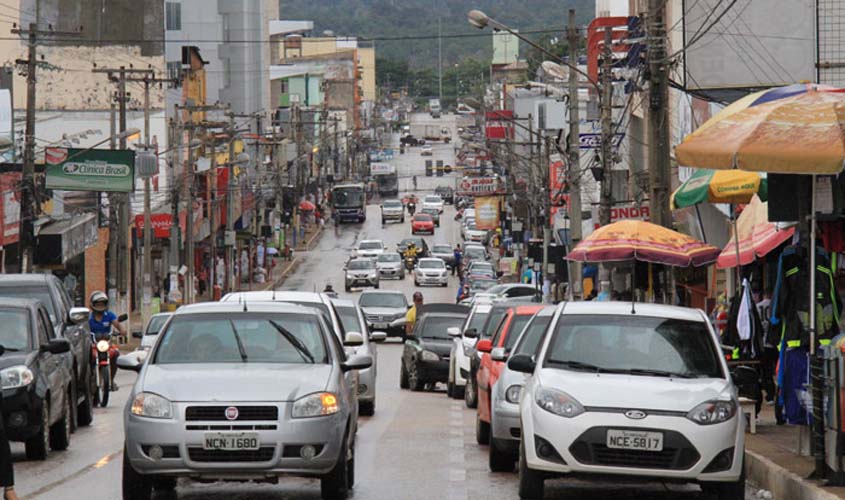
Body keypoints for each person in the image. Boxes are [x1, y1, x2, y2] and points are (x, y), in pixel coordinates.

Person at [88, 291, 126, 391]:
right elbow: (82, 327)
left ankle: (111, 380)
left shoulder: (109, 315)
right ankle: (89, 379)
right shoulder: (89, 317)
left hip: (106, 344)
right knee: (86, 358)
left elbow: (117, 324)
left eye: (102, 303)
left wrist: (122, 330)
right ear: (93, 304)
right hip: (93, 345)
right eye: (98, 304)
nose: (100, 306)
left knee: (116, 354)